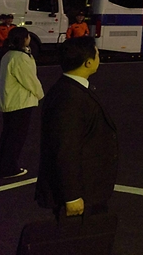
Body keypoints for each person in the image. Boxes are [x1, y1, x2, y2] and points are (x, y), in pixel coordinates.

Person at [35, 36, 118, 217]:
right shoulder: (69, 98)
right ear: (87, 62)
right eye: (97, 54)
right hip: (82, 191)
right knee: (80, 241)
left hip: (88, 188)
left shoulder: (71, 89)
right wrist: (72, 196)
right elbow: (65, 148)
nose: (99, 57)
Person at [0, 27, 44, 178]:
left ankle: (0, 165)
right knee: (16, 137)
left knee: (8, 135)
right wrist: (40, 94)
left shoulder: (8, 55)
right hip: (20, 102)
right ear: (25, 38)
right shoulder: (20, 58)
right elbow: (29, 80)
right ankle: (9, 168)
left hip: (9, 101)